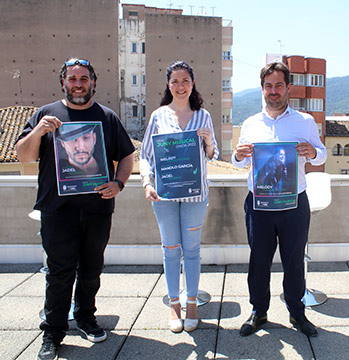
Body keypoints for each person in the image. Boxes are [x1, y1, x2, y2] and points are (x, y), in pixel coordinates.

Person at [15, 58, 135, 360]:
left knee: (92, 270)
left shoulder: (106, 117)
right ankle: (53, 332)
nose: (78, 83)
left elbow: (127, 157)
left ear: (93, 82)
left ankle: (85, 318)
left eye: (84, 78)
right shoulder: (46, 115)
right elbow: (24, 157)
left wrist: (118, 184)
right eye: (72, 78)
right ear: (63, 82)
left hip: (97, 209)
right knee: (59, 273)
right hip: (57, 210)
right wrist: (38, 132)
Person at [233, 62, 327, 337]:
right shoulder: (250, 124)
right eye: (268, 86)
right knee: (259, 261)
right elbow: (238, 165)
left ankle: (297, 314)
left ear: (288, 88)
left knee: (294, 261)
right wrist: (239, 155)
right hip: (259, 204)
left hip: (294, 203)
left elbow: (321, 155)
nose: (273, 91)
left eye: (278, 85)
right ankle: (258, 313)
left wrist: (312, 151)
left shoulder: (305, 122)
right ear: (262, 89)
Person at [140, 60, 218, 333]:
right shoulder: (158, 116)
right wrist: (146, 183)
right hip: (165, 195)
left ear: (192, 83)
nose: (180, 86)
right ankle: (174, 303)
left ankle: (192, 302)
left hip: (196, 194)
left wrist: (208, 140)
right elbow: (146, 155)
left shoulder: (203, 116)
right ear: (168, 85)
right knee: (170, 249)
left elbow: (213, 154)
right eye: (175, 81)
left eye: (185, 80)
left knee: (193, 250)